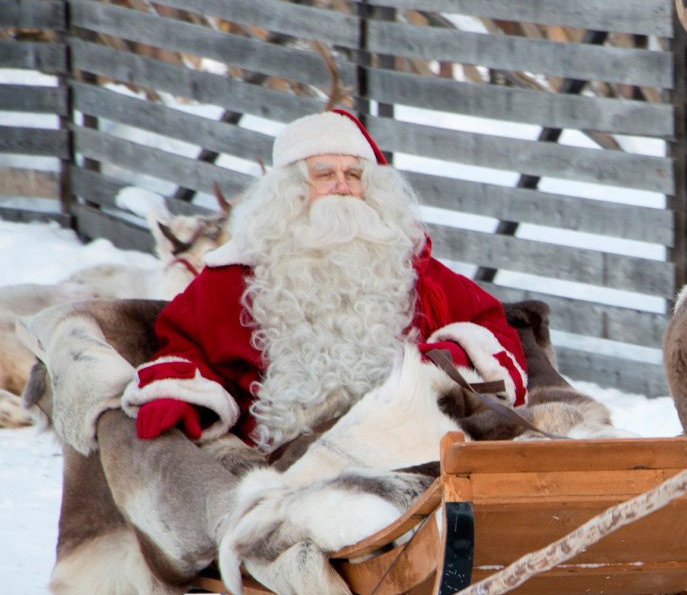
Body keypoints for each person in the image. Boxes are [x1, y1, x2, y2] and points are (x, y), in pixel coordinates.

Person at [122, 109, 527, 454]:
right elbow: (186, 344)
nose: (341, 185)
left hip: (407, 446)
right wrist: (183, 394)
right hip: (285, 456)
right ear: (290, 190)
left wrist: (437, 364)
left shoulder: (412, 268)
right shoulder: (233, 276)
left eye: (353, 174)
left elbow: (488, 327)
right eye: (324, 173)